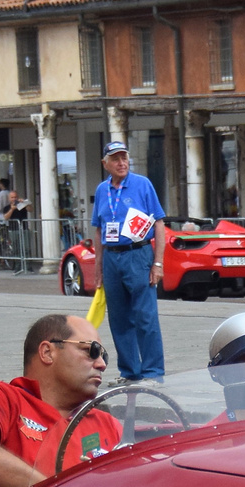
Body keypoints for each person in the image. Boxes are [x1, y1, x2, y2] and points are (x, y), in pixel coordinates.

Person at [0, 314, 123, 487]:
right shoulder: (2, 396)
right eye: (91, 350)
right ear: (47, 352)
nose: (102, 364)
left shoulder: (108, 424)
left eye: (103, 355)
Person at [91, 140, 167, 382]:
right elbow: (98, 230)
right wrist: (98, 268)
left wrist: (158, 263)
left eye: (124, 157)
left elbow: (159, 223)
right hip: (112, 258)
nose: (121, 162)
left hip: (138, 253)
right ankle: (130, 371)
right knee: (119, 318)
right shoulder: (103, 190)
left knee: (145, 316)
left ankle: (154, 372)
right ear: (106, 164)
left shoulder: (142, 184)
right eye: (115, 159)